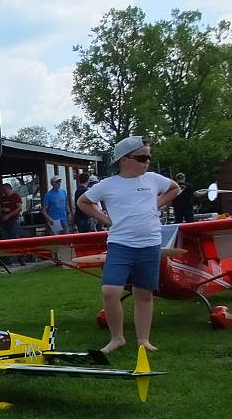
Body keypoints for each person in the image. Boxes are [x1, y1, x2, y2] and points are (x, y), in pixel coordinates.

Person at [77, 136, 180, 355]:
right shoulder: (108, 185)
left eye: (149, 157)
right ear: (124, 160)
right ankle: (117, 338)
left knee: (144, 294)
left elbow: (175, 188)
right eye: (142, 157)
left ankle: (143, 339)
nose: (147, 161)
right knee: (110, 291)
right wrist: (105, 219)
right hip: (120, 244)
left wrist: (157, 203)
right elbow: (83, 202)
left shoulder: (153, 179)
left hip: (150, 243)